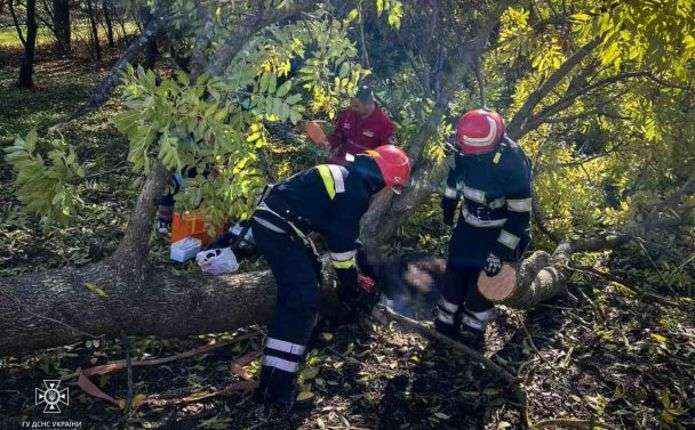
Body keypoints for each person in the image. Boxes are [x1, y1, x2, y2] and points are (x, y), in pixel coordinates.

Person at [248, 145, 410, 407]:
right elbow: (340, 246)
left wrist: (358, 263)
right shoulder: (356, 192)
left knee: (313, 273)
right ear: (382, 177)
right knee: (302, 299)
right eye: (389, 185)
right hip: (278, 229)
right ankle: (275, 387)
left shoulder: (347, 177)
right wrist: (349, 286)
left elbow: (334, 227)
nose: (386, 190)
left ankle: (303, 343)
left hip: (283, 225)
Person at [435, 109, 532, 348]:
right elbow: (454, 182)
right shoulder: (463, 148)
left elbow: (520, 215)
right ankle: (445, 322)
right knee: (455, 271)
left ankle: (473, 329)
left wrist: (500, 252)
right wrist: (448, 208)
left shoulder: (513, 162)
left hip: (498, 231)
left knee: (483, 282)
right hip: (468, 223)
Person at [316, 85, 397, 165]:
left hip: (363, 168)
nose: (352, 108)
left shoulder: (385, 125)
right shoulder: (348, 114)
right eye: (352, 105)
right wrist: (328, 144)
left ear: (368, 105)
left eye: (356, 106)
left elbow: (386, 156)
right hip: (339, 162)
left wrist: (364, 162)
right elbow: (338, 134)